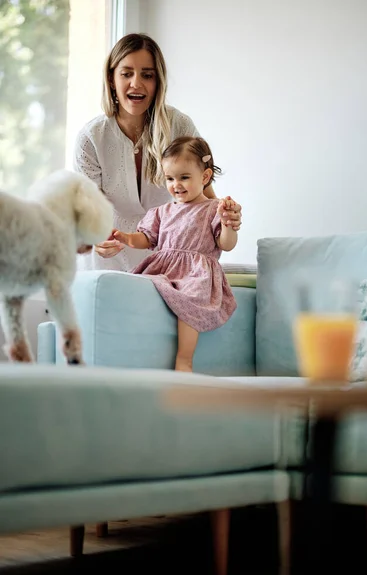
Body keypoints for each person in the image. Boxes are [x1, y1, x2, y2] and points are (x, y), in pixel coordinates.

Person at [73, 33, 242, 272]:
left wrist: (226, 218)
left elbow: (205, 198)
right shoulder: (90, 138)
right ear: (111, 78)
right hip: (107, 262)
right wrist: (97, 237)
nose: (136, 83)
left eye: (147, 75)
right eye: (126, 73)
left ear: (158, 82)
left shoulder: (180, 126)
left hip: (169, 265)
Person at [112, 136, 238, 372]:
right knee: (137, 285)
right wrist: (127, 238)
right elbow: (147, 238)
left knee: (191, 298)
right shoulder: (162, 211)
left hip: (195, 273)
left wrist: (228, 223)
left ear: (205, 177)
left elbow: (227, 244)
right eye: (170, 178)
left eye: (184, 177)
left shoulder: (213, 208)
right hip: (163, 268)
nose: (176, 185)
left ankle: (184, 359)